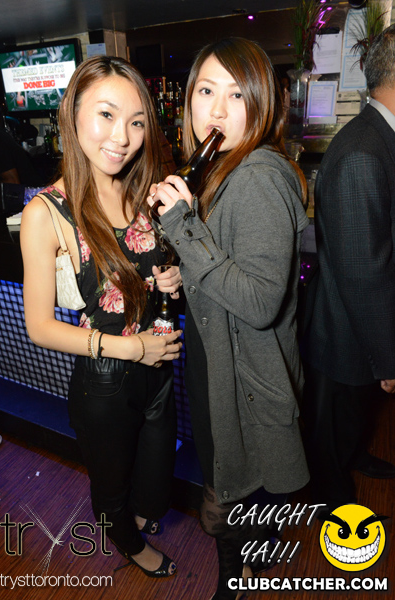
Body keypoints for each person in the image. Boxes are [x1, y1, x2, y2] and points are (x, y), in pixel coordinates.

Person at [148, 38, 310, 599]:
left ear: (261, 101)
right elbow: (226, 271)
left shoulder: (258, 174)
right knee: (232, 482)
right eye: (205, 91)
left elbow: (260, 302)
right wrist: (183, 274)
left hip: (247, 376)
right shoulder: (223, 168)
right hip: (222, 363)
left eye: (237, 94)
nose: (216, 110)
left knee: (233, 489)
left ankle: (233, 584)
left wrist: (182, 226)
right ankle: (246, 566)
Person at [20, 56, 183, 578]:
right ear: (72, 114)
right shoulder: (47, 212)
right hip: (106, 378)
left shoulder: (140, 189)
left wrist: (170, 280)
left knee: (155, 472)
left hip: (159, 367)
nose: (123, 137)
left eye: (136, 122)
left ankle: (140, 518)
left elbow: (151, 272)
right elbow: (39, 327)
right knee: (111, 485)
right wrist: (132, 348)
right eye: (107, 115)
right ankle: (129, 545)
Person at [301, 24, 395, 514]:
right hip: (347, 325)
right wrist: (389, 358)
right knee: (333, 429)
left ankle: (355, 458)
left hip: (355, 320)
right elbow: (365, 273)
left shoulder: (375, 136)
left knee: (353, 417)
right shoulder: (364, 151)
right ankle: (334, 504)